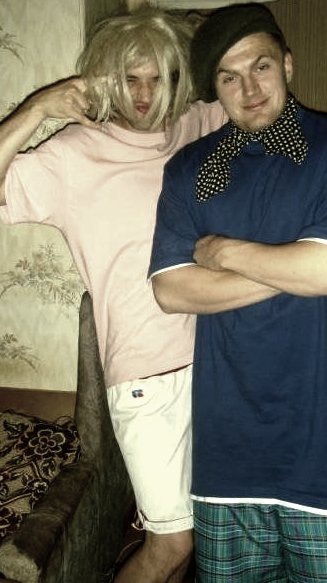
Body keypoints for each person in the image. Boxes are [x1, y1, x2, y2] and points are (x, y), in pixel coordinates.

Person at [149, 3, 327, 582]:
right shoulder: (189, 168)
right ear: (215, 90)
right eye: (229, 77)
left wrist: (222, 251)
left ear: (288, 64)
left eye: (261, 66)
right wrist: (295, 265)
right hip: (225, 458)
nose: (249, 89)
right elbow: (172, 290)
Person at [0, 4, 225, 582]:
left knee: (198, 536)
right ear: (107, 79)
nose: (145, 96)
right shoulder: (75, 154)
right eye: (130, 79)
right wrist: (36, 109)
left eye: (159, 78)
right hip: (147, 377)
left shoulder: (195, 124)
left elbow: (249, 83)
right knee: (170, 545)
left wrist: (196, 29)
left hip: (221, 362)